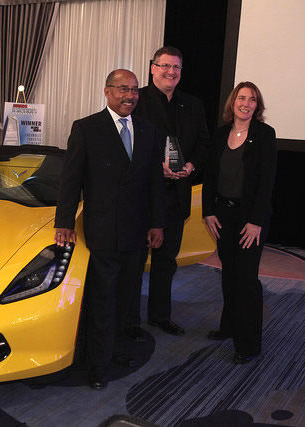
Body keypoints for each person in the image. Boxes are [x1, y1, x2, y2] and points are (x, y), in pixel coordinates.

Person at [54, 69, 165, 389]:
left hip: (137, 231)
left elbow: (155, 184)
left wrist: (157, 223)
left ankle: (116, 350)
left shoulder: (148, 130)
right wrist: (63, 222)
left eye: (134, 90)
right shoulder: (87, 128)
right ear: (107, 92)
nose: (130, 96)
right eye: (122, 89)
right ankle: (96, 364)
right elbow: (70, 180)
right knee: (102, 299)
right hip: (102, 231)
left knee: (127, 299)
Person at [130, 46, 210, 338]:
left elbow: (203, 144)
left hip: (176, 196)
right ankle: (129, 321)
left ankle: (160, 316)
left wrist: (191, 165)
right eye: (164, 66)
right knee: (135, 262)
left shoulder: (193, 105)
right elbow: (126, 145)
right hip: (142, 197)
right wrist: (155, 167)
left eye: (176, 68)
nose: (170, 72)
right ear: (152, 68)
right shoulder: (136, 100)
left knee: (166, 261)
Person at [202, 81, 277, 364]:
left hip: (250, 220)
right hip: (222, 216)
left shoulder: (265, 134)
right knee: (229, 273)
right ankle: (229, 327)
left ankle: (248, 344)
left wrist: (256, 221)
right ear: (232, 102)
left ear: (257, 106)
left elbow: (266, 182)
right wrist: (208, 212)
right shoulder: (221, 134)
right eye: (242, 98)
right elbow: (210, 176)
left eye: (253, 100)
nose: (246, 103)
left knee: (246, 280)